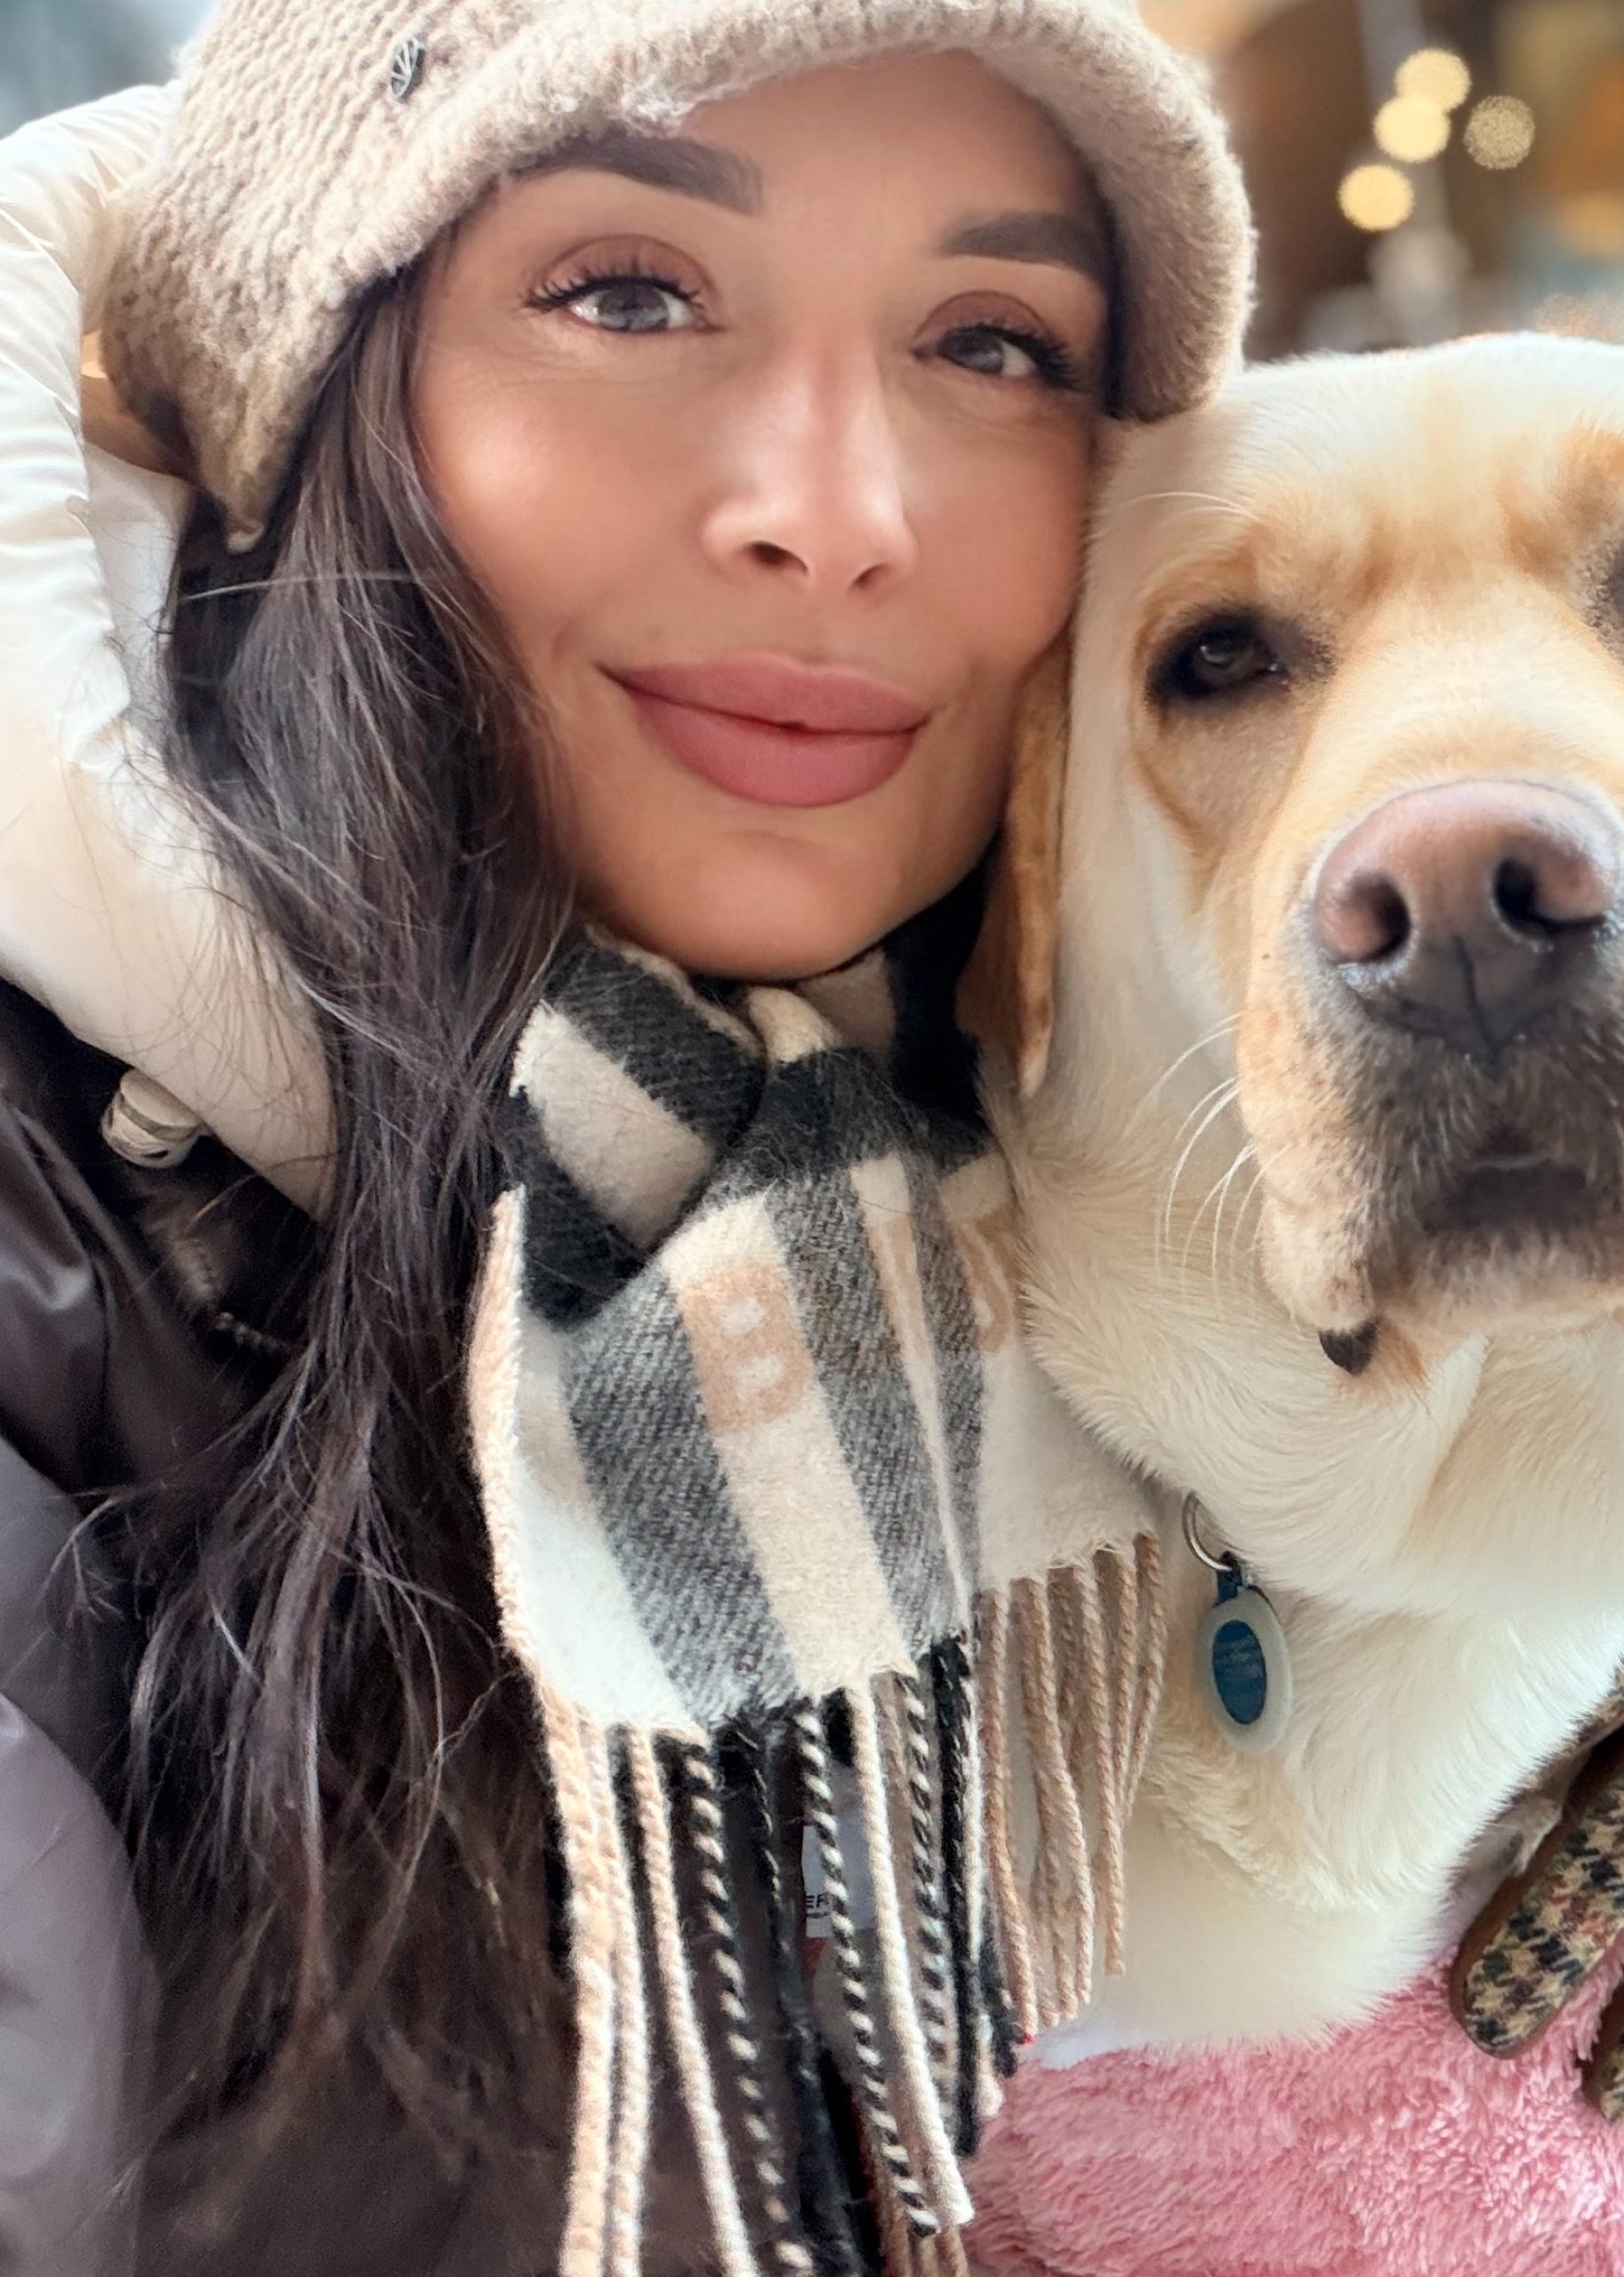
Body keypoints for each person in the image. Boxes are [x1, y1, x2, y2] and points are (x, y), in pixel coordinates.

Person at [0, 6, 1251, 2268]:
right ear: (314, 395)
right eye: (627, 294)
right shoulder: (54, 1235)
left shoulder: (1132, 1150)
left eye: (991, 343)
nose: (834, 515)